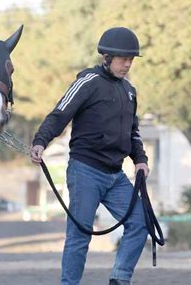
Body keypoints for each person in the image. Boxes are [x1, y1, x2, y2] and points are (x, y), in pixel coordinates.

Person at [30, 27, 149, 285]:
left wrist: (140, 160)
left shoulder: (130, 92)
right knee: (79, 235)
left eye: (131, 59)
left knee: (141, 222)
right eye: (122, 59)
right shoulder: (88, 82)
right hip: (85, 172)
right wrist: (41, 141)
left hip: (115, 176)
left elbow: (133, 133)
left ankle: (119, 278)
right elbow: (60, 113)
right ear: (106, 56)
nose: (127, 64)